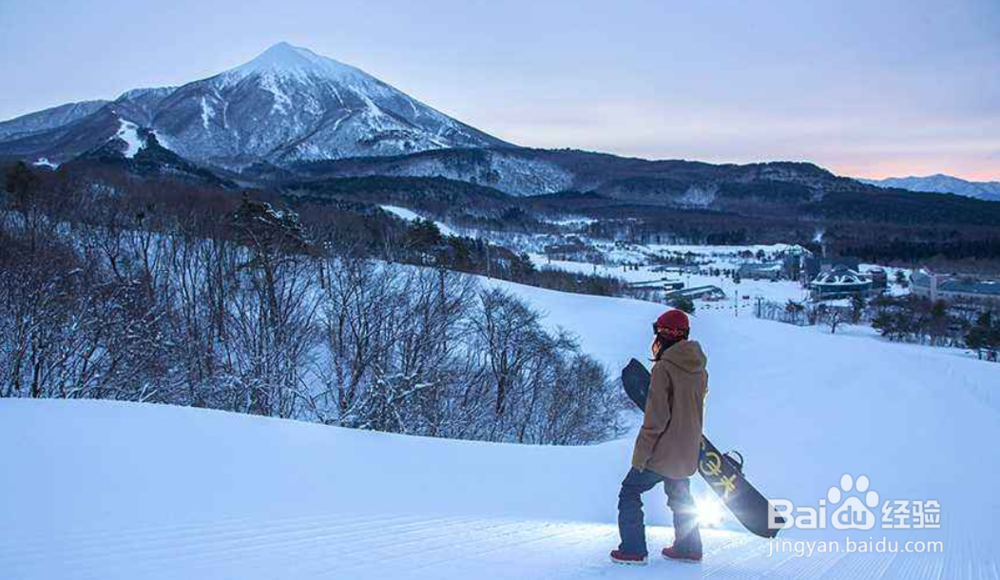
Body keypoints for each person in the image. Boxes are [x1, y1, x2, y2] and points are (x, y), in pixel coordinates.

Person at [610, 309, 708, 565]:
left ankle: (633, 549)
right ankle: (689, 547)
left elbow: (656, 419)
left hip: (663, 449)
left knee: (629, 491)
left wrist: (641, 455)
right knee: (679, 493)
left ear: (662, 334)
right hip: (687, 447)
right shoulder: (699, 369)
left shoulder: (664, 369)